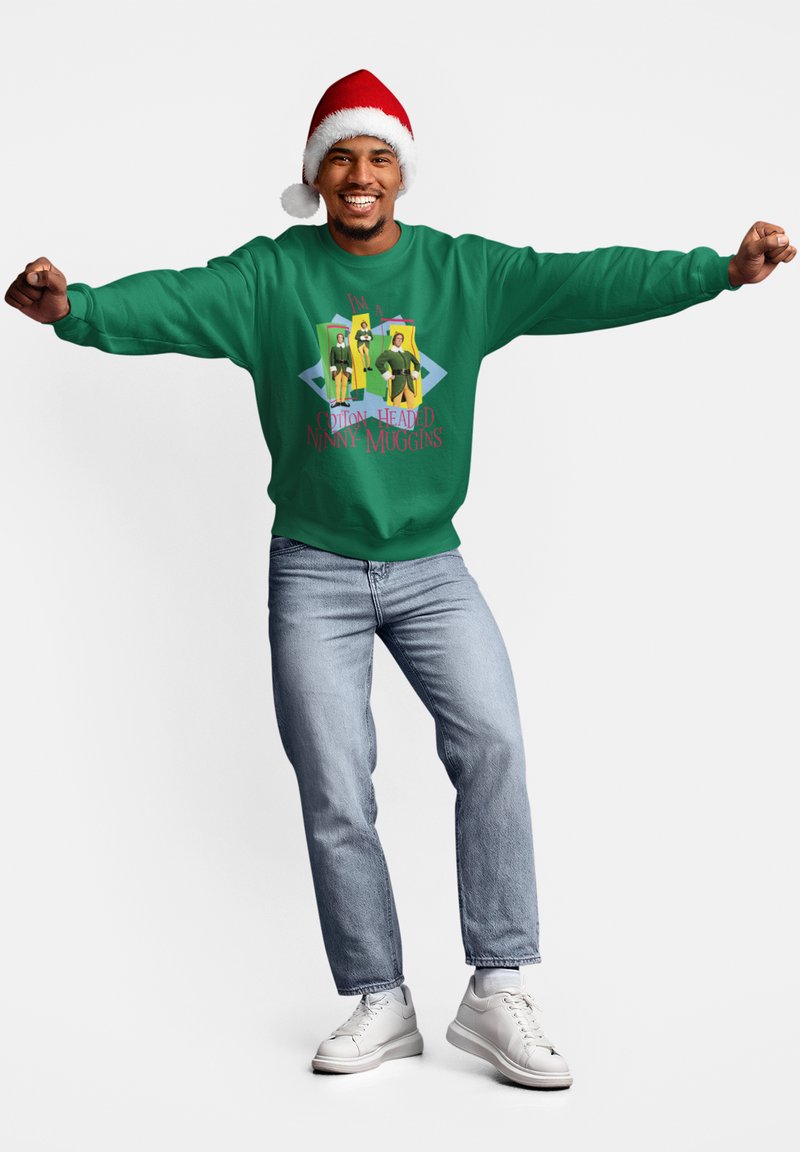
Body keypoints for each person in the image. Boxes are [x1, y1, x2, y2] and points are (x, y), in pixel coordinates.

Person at [5, 68, 794, 1091]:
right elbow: (176, 299)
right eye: (340, 157)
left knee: (493, 741)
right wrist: (75, 307)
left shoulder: (464, 274)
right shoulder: (272, 278)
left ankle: (497, 987)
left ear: (402, 175)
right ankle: (379, 996)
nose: (359, 174)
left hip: (430, 565)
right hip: (314, 569)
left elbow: (586, 281)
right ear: (314, 176)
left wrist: (718, 271)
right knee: (335, 783)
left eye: (378, 157)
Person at [375, 330, 420, 406]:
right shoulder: (389, 353)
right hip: (397, 382)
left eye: (401, 339)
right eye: (398, 338)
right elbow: (378, 363)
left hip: (409, 382)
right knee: (396, 405)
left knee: (411, 405)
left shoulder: (407, 353)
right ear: (394, 340)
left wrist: (414, 375)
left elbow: (417, 364)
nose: (399, 340)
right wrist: (389, 375)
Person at [329, 329, 353, 407]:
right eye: (338, 337)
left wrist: (349, 371)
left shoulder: (347, 348)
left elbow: (350, 360)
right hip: (337, 368)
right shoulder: (334, 348)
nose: (340, 338)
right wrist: (333, 370)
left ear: (343, 339)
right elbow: (331, 359)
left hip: (345, 369)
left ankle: (342, 401)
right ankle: (337, 401)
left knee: (344, 385)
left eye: (341, 337)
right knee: (337, 385)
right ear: (337, 339)